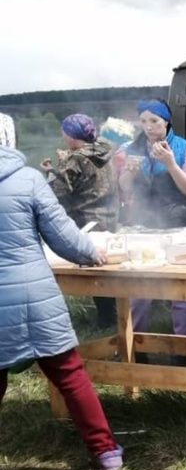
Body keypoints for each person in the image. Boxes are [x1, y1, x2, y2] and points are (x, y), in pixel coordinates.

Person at [0, 144, 123, 470]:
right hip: (32, 297)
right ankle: (105, 454)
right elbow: (63, 236)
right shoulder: (27, 180)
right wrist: (90, 252)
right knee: (70, 374)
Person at [118, 98, 186, 337]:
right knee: (138, 289)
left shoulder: (185, 149)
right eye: (143, 121)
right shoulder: (131, 149)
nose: (148, 126)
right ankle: (138, 348)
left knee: (180, 292)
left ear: (166, 121)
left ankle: (183, 349)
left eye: (154, 120)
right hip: (144, 226)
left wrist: (170, 164)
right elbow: (124, 189)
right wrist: (129, 174)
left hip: (178, 226)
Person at [41, 113, 119, 331]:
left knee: (96, 276)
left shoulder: (75, 159)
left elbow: (59, 195)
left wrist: (57, 168)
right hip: (110, 220)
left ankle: (107, 323)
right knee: (109, 273)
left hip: (87, 223)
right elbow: (87, 181)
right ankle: (116, 319)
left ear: (70, 136)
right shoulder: (104, 149)